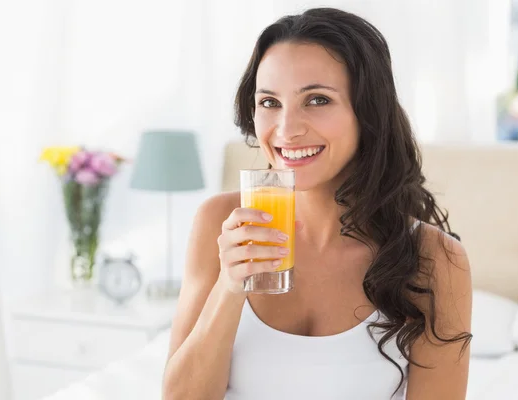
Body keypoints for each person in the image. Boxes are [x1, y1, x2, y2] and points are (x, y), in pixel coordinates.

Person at [163, 7, 472, 400]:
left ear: (368, 112)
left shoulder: (434, 258)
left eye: (317, 100)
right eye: (270, 103)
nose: (287, 130)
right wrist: (229, 285)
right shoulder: (218, 223)